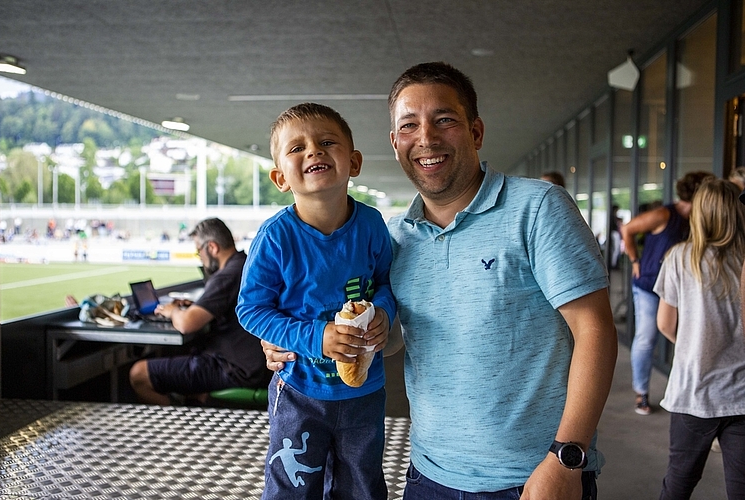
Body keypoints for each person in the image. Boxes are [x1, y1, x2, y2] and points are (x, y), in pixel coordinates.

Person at [265, 62, 618, 500]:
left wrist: (567, 455)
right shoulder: (392, 236)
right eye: (409, 126)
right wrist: (297, 339)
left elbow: (596, 330)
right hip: (429, 477)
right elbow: (389, 339)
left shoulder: (538, 207)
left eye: (444, 120)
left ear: (476, 131)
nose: (426, 138)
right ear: (395, 143)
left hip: (532, 477)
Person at [235, 103, 396, 499]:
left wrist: (384, 316)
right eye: (297, 148)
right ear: (280, 178)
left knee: (363, 486)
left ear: (354, 161)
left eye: (327, 142)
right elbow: (250, 309)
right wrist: (315, 337)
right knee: (293, 487)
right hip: (299, 390)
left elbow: (388, 285)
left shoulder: (372, 225)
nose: (314, 151)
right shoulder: (275, 237)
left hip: (365, 390)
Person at [654, 179, 745, 499]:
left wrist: (693, 344)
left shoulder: (680, 257)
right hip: (741, 395)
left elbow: (665, 323)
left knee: (678, 483)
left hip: (694, 392)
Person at [128, 217, 269, 406]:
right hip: (252, 364)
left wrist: (172, 311)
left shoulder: (227, 275)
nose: (200, 257)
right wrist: (196, 304)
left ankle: (175, 428)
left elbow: (187, 324)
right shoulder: (244, 265)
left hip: (236, 368)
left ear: (211, 247)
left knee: (139, 374)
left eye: (198, 251)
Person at [620, 171, 713, 415]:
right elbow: (627, 229)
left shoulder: (699, 220)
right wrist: (635, 261)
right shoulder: (664, 214)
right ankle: (641, 393)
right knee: (647, 338)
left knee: (684, 337)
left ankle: (682, 391)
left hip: (682, 289)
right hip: (650, 286)